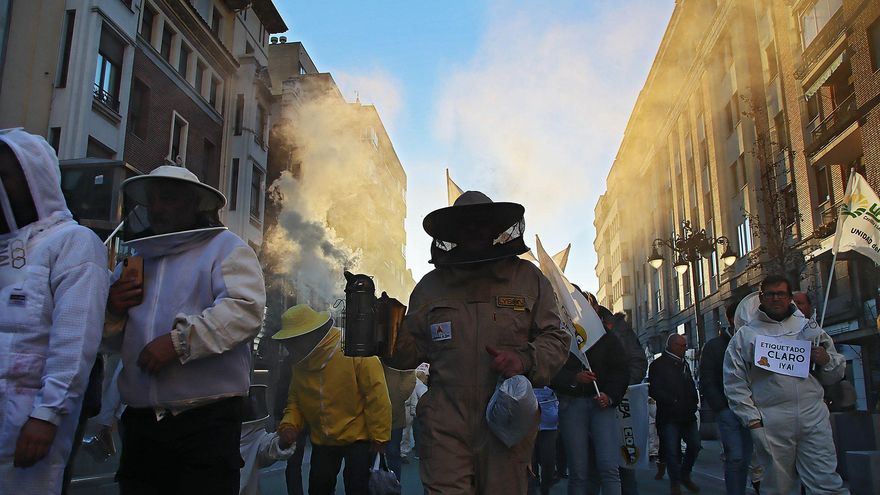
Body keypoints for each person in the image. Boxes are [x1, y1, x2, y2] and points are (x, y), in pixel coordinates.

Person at [386, 191, 570, 494]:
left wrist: (524, 359)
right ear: (453, 232)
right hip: (444, 423)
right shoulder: (431, 286)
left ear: (495, 229)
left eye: (480, 223)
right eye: (464, 224)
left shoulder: (528, 278)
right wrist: (383, 335)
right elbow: (410, 352)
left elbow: (557, 337)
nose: (472, 230)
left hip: (506, 421)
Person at [106, 165, 266, 494]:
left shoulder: (225, 247)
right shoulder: (137, 258)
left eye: (167, 199)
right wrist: (112, 308)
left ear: (194, 204)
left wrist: (181, 342)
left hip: (205, 423)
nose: (158, 209)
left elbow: (245, 310)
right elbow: (108, 342)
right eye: (153, 201)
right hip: (141, 422)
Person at [0, 129, 109, 494]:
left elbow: (74, 338)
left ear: (34, 176)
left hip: (29, 425)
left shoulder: (73, 242)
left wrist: (46, 415)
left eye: (5, 174)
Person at [724, 275, 849, 494]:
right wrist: (752, 421)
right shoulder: (746, 335)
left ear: (789, 297)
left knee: (826, 481)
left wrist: (825, 360)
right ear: (761, 298)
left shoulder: (809, 329)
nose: (775, 299)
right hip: (772, 420)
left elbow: (834, 374)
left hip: (813, 416)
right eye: (770, 294)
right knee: (778, 487)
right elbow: (734, 382)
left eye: (781, 294)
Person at [273, 304, 391, 495]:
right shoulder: (300, 363)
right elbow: (295, 400)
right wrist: (289, 425)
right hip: (323, 440)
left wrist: (380, 438)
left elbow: (376, 396)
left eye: (293, 340)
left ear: (309, 335)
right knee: (319, 488)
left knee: (358, 489)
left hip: (358, 439)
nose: (290, 346)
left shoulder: (353, 348)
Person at [551, 331, 628, 495]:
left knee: (609, 468)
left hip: (602, 404)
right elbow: (550, 370)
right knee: (578, 471)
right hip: (572, 404)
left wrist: (610, 395)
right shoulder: (560, 336)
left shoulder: (607, 337)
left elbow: (621, 371)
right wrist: (574, 378)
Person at [699, 300, 751, 495]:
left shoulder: (757, 340)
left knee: (756, 457)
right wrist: (721, 408)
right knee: (736, 456)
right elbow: (708, 379)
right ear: (732, 319)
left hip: (757, 407)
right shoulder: (714, 347)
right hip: (729, 409)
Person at [648, 334, 701, 495]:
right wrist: (672, 401)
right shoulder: (658, 365)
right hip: (669, 415)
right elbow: (654, 389)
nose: (684, 348)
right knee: (672, 450)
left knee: (694, 445)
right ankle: (675, 483)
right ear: (671, 345)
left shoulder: (683, 363)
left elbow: (690, 385)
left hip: (687, 414)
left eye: (685, 345)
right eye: (681, 345)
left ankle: (685, 474)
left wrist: (692, 402)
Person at [382, 364, 416, 481]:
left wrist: (398, 396)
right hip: (371, 412)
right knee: (369, 456)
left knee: (392, 452)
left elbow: (410, 375)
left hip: (394, 414)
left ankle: (394, 485)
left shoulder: (400, 354)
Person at [529, 386, 559, 495]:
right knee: (530, 461)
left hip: (549, 418)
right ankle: (531, 489)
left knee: (548, 460)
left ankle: (545, 488)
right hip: (527, 416)